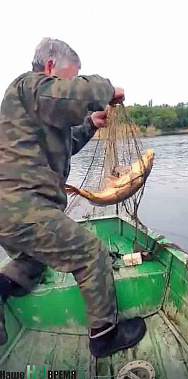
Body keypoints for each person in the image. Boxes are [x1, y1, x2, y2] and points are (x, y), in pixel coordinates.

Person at [0, 38, 146, 357]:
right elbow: (75, 93)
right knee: (91, 253)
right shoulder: (29, 86)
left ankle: (1, 289)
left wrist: (91, 125)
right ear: (50, 67)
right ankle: (104, 337)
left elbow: (64, 147)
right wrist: (106, 89)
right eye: (72, 75)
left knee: (32, 259)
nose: (73, 83)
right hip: (23, 208)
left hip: (11, 214)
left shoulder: (36, 107)